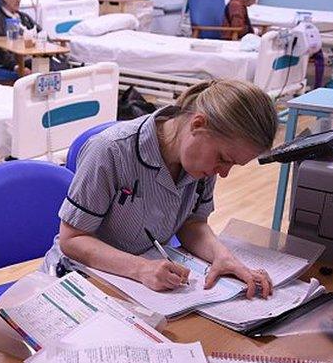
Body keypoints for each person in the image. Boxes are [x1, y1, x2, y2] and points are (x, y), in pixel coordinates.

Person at [44, 79, 278, 297]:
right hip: (77, 276)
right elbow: (72, 239)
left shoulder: (201, 163)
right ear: (198, 124)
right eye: (224, 159)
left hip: (142, 281)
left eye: (233, 164)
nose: (224, 172)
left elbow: (192, 224)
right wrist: (140, 269)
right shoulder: (110, 151)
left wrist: (223, 257)